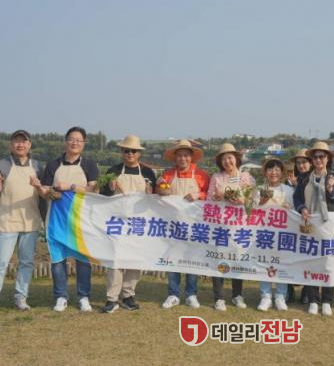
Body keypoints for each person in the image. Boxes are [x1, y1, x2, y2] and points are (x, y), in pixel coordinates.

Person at [32, 126, 99, 313]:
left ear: (84, 144)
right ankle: (60, 296)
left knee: (83, 261)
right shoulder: (53, 165)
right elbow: (45, 192)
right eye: (71, 139)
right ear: (65, 142)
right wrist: (39, 187)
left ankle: (84, 296)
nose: (74, 143)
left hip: (80, 220)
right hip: (56, 219)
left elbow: (93, 190)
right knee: (57, 260)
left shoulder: (89, 165)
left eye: (79, 140)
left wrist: (70, 186)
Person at [0, 130, 44, 316]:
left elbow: (44, 193)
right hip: (7, 222)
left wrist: (39, 186)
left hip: (30, 222)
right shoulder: (2, 165)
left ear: (29, 145)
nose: (20, 145)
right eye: (16, 141)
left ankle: (21, 297)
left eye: (24, 141)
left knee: (26, 263)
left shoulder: (38, 166)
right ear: (11, 145)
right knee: (0, 262)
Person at [99, 135, 156, 313]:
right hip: (118, 222)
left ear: (139, 153)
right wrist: (110, 188)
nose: (130, 154)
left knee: (135, 259)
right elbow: (103, 197)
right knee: (115, 260)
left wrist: (152, 193)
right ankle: (112, 298)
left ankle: (128, 294)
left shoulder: (148, 173)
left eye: (133, 151)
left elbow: (155, 199)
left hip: (139, 223)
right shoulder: (113, 171)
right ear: (122, 152)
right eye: (126, 151)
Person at [158, 139, 210, 310]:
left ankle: (191, 294)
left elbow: (211, 196)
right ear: (175, 157)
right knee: (172, 258)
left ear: (191, 157)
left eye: (186, 155)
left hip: (195, 225)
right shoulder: (168, 175)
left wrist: (199, 195)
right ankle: (173, 294)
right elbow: (159, 194)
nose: (183, 158)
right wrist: (159, 189)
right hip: (173, 226)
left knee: (192, 259)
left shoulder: (201, 175)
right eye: (179, 155)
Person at [293, 141, 334, 316]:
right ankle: (313, 300)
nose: (318, 159)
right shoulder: (304, 178)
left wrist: (330, 189)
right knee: (311, 262)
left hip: (328, 226)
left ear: (328, 158)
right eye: (315, 157)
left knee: (328, 263)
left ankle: (327, 300)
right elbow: (297, 198)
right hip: (310, 225)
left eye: (322, 156)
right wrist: (302, 208)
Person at [207, 143, 256, 311]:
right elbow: (208, 200)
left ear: (236, 159)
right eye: (224, 159)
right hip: (221, 227)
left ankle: (237, 295)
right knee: (220, 259)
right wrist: (217, 196)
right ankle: (219, 297)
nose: (227, 161)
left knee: (238, 260)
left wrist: (243, 200)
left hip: (240, 227)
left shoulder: (246, 177)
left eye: (230, 158)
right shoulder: (216, 177)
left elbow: (253, 200)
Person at [254, 157, 294, 312]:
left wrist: (289, 208)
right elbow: (251, 211)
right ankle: (265, 296)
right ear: (265, 172)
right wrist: (261, 202)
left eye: (277, 169)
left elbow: (295, 212)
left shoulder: (288, 190)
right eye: (270, 169)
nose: (274, 172)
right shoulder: (259, 189)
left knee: (281, 263)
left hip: (283, 234)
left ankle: (280, 296)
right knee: (264, 262)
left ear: (282, 172)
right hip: (264, 234)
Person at [289, 148, 312, 304]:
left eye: (304, 162)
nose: (301, 165)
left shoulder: (315, 177)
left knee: (310, 257)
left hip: (312, 222)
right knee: (293, 256)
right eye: (298, 163)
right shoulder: (294, 179)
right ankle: (289, 290)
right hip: (295, 222)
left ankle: (307, 291)